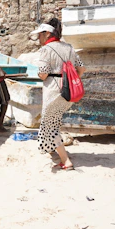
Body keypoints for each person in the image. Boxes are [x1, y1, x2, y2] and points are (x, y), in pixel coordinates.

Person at [30, 18, 85, 170]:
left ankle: (66, 160)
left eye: (40, 35)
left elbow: (43, 74)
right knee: (51, 122)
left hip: (53, 93)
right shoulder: (69, 47)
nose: (39, 38)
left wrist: (42, 72)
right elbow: (81, 69)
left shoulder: (46, 50)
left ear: (47, 34)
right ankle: (50, 149)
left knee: (50, 126)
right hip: (67, 93)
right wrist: (69, 81)